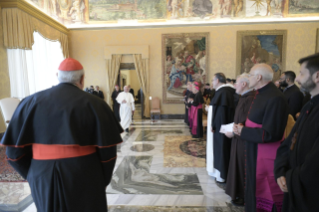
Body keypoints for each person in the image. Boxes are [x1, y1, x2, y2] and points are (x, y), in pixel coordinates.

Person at [0, 58, 123, 212]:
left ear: (57, 75)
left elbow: (13, 153)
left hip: (42, 173)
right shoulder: (96, 104)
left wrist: (33, 174)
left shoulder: (29, 102)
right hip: (85, 172)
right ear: (82, 79)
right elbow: (108, 154)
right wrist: (100, 178)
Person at [233, 63, 288, 212]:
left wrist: (243, 131)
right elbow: (256, 119)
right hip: (253, 148)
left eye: (250, 74)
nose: (248, 77)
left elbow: (272, 133)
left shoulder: (275, 97)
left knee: (263, 188)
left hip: (264, 153)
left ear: (258, 77)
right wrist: (242, 125)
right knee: (252, 184)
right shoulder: (260, 93)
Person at [274, 53, 319, 212]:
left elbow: (315, 161)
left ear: (317, 76)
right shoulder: (309, 106)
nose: (298, 79)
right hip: (295, 185)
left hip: (310, 193)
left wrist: (291, 177)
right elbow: (288, 142)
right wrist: (280, 171)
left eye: (301, 73)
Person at [225, 73, 255, 206]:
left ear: (243, 84)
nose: (234, 85)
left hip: (243, 139)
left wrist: (234, 132)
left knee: (242, 166)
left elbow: (245, 121)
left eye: (236, 82)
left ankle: (243, 195)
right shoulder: (245, 97)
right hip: (239, 137)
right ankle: (239, 193)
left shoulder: (250, 98)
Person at [206, 73, 235, 183]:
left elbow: (221, 114)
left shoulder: (223, 92)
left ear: (217, 80)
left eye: (213, 80)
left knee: (221, 149)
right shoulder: (226, 92)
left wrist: (214, 125)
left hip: (220, 128)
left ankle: (220, 174)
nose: (212, 82)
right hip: (222, 126)